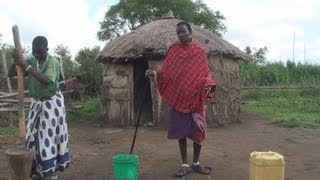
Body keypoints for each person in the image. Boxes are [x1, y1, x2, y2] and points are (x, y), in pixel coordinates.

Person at [145, 21, 216, 177]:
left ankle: (196, 162)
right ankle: (184, 164)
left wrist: (209, 85)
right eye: (178, 33)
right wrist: (155, 74)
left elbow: (205, 75)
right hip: (178, 99)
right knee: (181, 132)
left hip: (196, 99)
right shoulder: (173, 51)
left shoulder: (200, 52)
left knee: (199, 131)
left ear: (191, 32)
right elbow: (167, 73)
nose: (181, 34)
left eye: (183, 31)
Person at [9, 36, 70, 180]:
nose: (37, 55)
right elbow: (11, 74)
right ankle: (36, 170)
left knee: (48, 137)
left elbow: (46, 80)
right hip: (37, 104)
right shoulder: (31, 60)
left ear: (47, 49)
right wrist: (15, 60)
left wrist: (26, 66)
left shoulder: (52, 62)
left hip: (51, 104)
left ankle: (50, 172)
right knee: (32, 138)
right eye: (34, 51)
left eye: (40, 52)